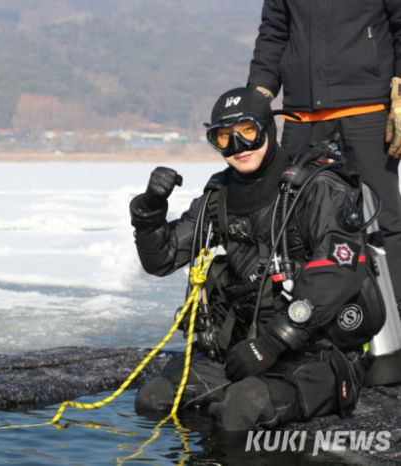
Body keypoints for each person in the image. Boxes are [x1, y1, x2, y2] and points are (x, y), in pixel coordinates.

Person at [129, 87, 386, 430]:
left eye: (247, 133)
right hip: (245, 348)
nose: (238, 148)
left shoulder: (317, 188)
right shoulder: (219, 196)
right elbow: (161, 260)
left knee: (239, 412)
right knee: (153, 401)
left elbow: (338, 269)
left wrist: (273, 341)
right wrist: (148, 214)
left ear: (268, 128)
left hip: (316, 351)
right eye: (224, 138)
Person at [247, 0, 401, 308]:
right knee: (290, 218)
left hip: (367, 109)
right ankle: (302, 313)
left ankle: (393, 310)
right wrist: (256, 97)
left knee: (383, 220)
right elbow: (274, 34)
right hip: (302, 116)